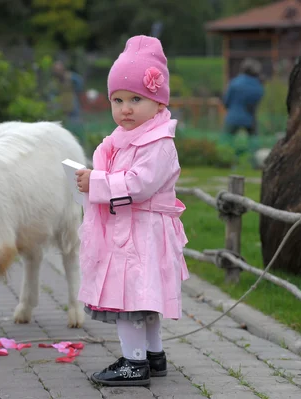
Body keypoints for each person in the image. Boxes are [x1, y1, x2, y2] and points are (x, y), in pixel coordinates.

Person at [74, 35, 189, 387]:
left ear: (158, 104)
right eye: (118, 100)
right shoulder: (123, 139)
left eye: (136, 99)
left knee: (131, 298)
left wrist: (97, 183)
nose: (125, 108)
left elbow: (139, 184)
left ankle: (133, 362)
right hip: (131, 231)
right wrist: (96, 177)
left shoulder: (159, 144)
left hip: (143, 232)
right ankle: (153, 355)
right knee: (142, 296)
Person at [222, 58, 265, 136]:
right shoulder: (258, 86)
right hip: (249, 118)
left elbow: (226, 100)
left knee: (226, 141)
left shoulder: (234, 82)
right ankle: (255, 148)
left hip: (233, 116)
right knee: (253, 141)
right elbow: (256, 103)